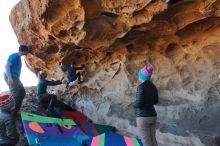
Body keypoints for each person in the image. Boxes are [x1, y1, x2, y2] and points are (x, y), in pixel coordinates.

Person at [134, 66, 158, 146]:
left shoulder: (141, 87)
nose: (139, 77)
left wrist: (134, 105)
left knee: (146, 141)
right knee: (152, 139)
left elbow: (139, 103)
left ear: (142, 76)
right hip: (153, 115)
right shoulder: (154, 87)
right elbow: (156, 101)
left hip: (143, 117)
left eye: (139, 75)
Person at [4, 45, 30, 116]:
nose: (28, 52)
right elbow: (6, 66)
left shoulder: (18, 57)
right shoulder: (15, 56)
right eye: (27, 51)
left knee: (22, 93)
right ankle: (13, 113)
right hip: (12, 78)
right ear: (24, 51)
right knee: (17, 96)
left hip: (16, 79)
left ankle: (16, 108)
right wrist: (9, 77)